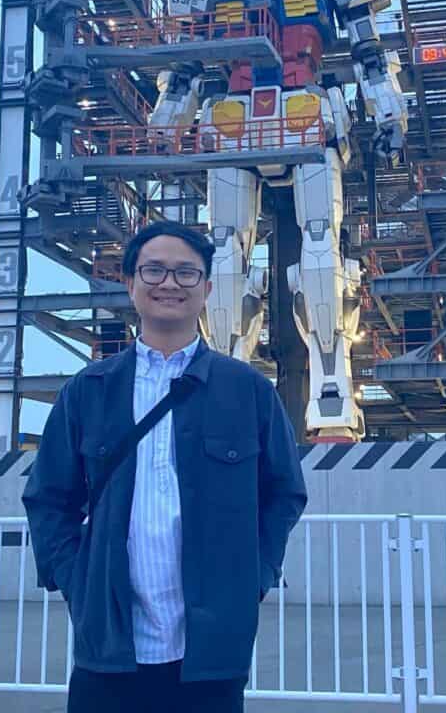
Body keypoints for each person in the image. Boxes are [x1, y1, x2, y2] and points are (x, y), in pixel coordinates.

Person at [23, 220, 307, 713]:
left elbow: (284, 492)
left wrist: (256, 576)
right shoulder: (88, 391)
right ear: (130, 283)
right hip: (108, 643)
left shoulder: (247, 391)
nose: (169, 283)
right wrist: (75, 581)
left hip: (212, 645)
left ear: (208, 290)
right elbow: (48, 497)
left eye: (185, 273)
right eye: (153, 270)